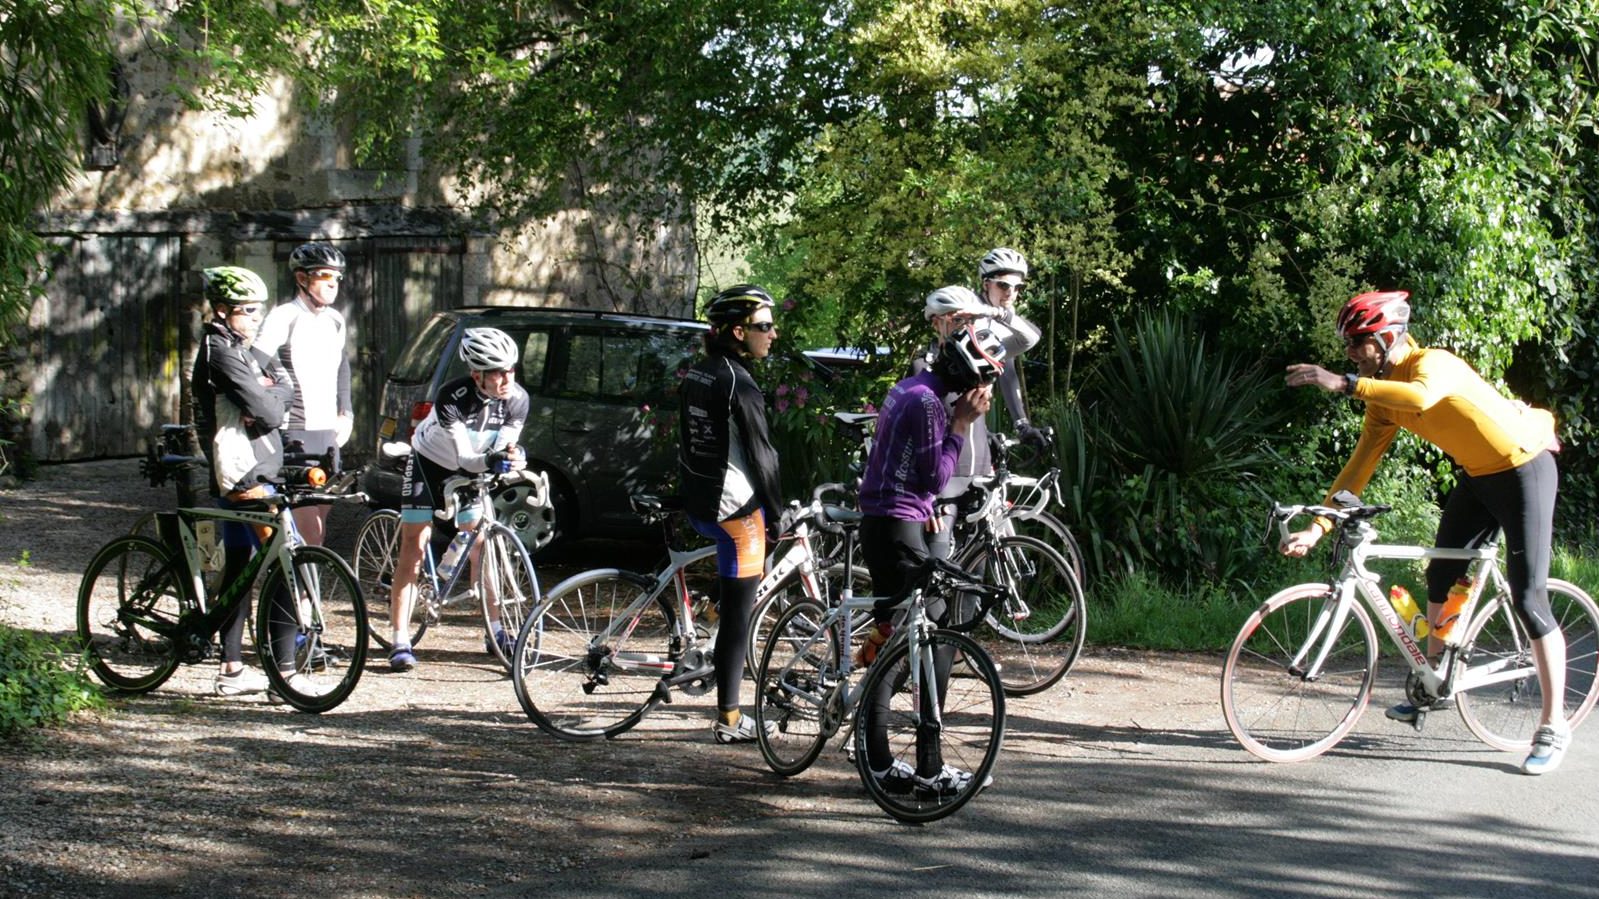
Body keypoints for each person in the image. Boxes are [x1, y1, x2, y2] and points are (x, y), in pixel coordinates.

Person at [1282, 289, 1571, 775]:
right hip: (1479, 476)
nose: (1351, 353)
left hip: (1525, 469)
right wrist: (1318, 525)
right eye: (1349, 344)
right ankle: (1434, 681)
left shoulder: (1432, 364)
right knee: (1439, 576)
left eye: (1359, 342)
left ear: (1388, 336)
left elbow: (1420, 396)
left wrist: (1343, 384)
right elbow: (1357, 470)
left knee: (1529, 598)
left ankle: (1552, 725)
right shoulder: (1381, 401)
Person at [857, 314, 1006, 797]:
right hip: (895, 523)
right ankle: (925, 767)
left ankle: (882, 762)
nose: (985, 391)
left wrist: (924, 507)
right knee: (930, 638)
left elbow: (904, 470)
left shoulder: (912, 387)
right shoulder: (931, 406)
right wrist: (962, 424)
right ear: (968, 375)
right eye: (985, 379)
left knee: (895, 633)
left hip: (889, 519)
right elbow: (932, 479)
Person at [386, 327, 530, 671]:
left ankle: (496, 630)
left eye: (510, 369)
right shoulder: (453, 396)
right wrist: (493, 459)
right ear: (476, 373)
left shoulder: (517, 399)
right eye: (497, 371)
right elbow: (465, 457)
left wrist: (514, 456)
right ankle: (400, 639)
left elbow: (503, 448)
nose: (506, 378)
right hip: (430, 465)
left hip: (469, 471)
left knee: (481, 544)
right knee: (415, 545)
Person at [677, 284, 783, 744]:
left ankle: (713, 609)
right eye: (764, 327)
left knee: (730, 598)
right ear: (739, 332)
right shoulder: (740, 381)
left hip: (700, 502)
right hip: (735, 510)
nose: (773, 334)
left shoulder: (700, 372)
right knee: (741, 617)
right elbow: (763, 456)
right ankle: (730, 719)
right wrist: (777, 515)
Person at [190, 265, 296, 697]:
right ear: (222, 311)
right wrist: (268, 396)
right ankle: (285, 675)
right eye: (248, 311)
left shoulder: (246, 348)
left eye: (259, 310)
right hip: (240, 472)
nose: (256, 317)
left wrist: (268, 393)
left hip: (258, 466)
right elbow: (272, 412)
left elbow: (289, 386)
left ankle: (232, 670)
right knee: (282, 562)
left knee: (239, 566)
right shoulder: (220, 350)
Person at [253, 242, 353, 547]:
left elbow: (342, 367)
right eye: (324, 276)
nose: (332, 284)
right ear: (301, 278)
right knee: (307, 531)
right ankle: (298, 594)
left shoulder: (335, 320)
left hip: (328, 433)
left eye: (337, 278)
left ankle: (301, 592)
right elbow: (254, 365)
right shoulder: (284, 316)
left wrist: (346, 411)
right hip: (294, 430)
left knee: (320, 528)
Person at [976, 247, 1046, 449]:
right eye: (1003, 285)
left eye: (1017, 288)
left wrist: (1022, 424)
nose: (1010, 293)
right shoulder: (971, 314)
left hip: (974, 412)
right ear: (986, 284)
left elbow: (1007, 370)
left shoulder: (1005, 315)